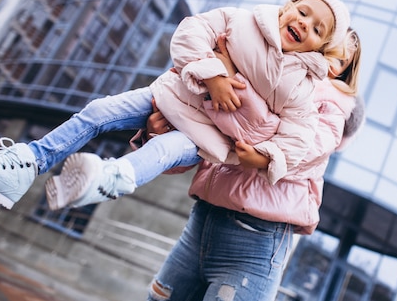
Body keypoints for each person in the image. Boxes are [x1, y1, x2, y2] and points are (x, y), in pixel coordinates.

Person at [0, 0, 350, 210]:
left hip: (202, 137)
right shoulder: (241, 21)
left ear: (320, 46)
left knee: (160, 153)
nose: (305, 24)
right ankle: (27, 164)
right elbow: (191, 31)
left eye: (318, 30)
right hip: (169, 96)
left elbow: (299, 133)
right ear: (288, 6)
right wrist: (214, 75)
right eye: (304, 13)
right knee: (99, 110)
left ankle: (107, 179)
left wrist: (268, 156)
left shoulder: (302, 84)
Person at [141, 28, 364, 301]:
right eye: (327, 50)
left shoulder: (332, 106)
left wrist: (232, 81)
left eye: (340, 61)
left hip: (255, 242)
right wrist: (158, 137)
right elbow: (204, 144)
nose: (328, 62)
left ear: (345, 74)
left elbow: (294, 153)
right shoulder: (260, 72)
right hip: (201, 222)